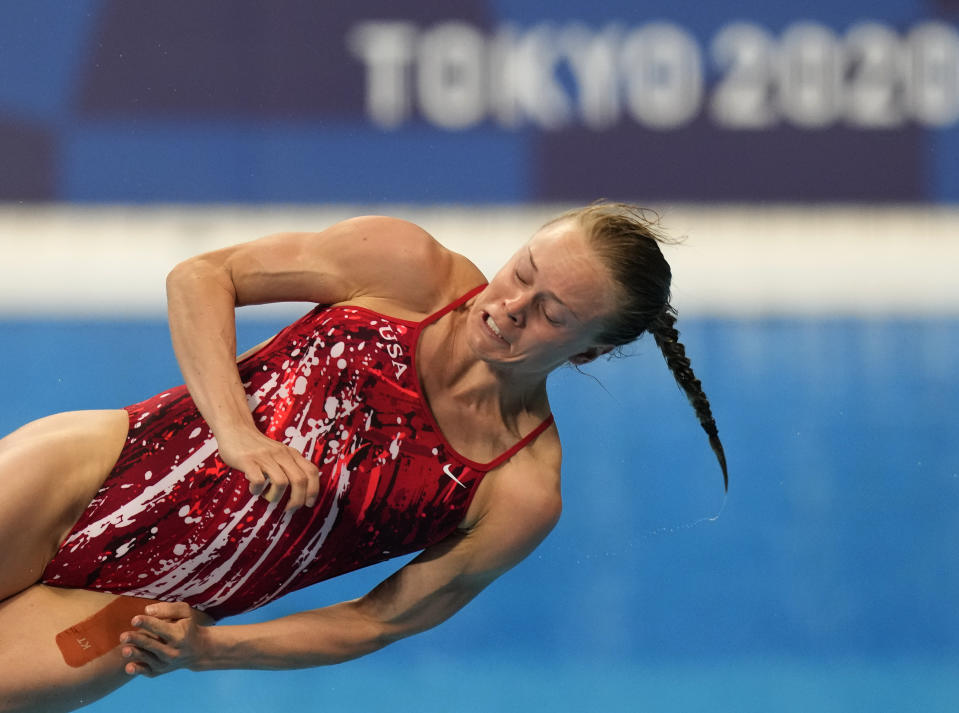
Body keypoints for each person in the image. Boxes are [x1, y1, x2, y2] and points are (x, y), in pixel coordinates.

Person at [0, 202, 726, 712]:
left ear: (589, 348)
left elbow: (379, 620)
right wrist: (236, 430)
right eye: (522, 271)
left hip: (127, 607)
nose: (510, 304)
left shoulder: (517, 491)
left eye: (551, 314)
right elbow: (201, 276)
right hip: (82, 470)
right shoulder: (404, 269)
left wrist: (210, 649)